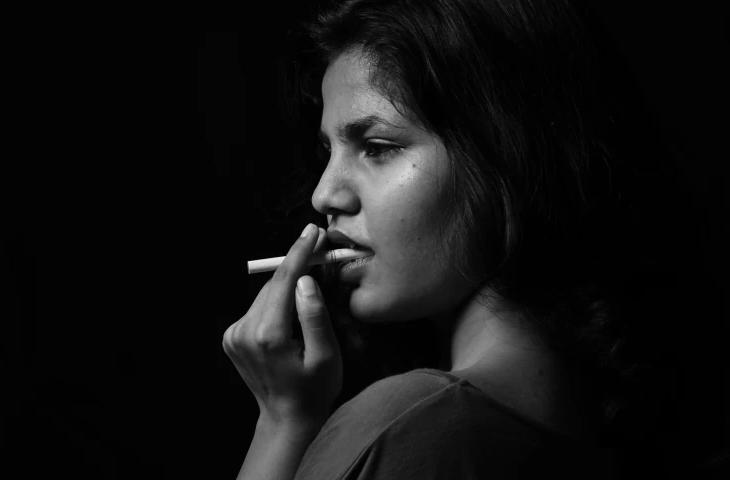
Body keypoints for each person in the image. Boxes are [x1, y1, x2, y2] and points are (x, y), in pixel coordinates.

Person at [223, 0, 723, 478]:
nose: (324, 194)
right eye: (326, 150)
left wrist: (280, 425)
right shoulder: (600, 428)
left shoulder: (405, 427)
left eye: (377, 147)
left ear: (506, 156)